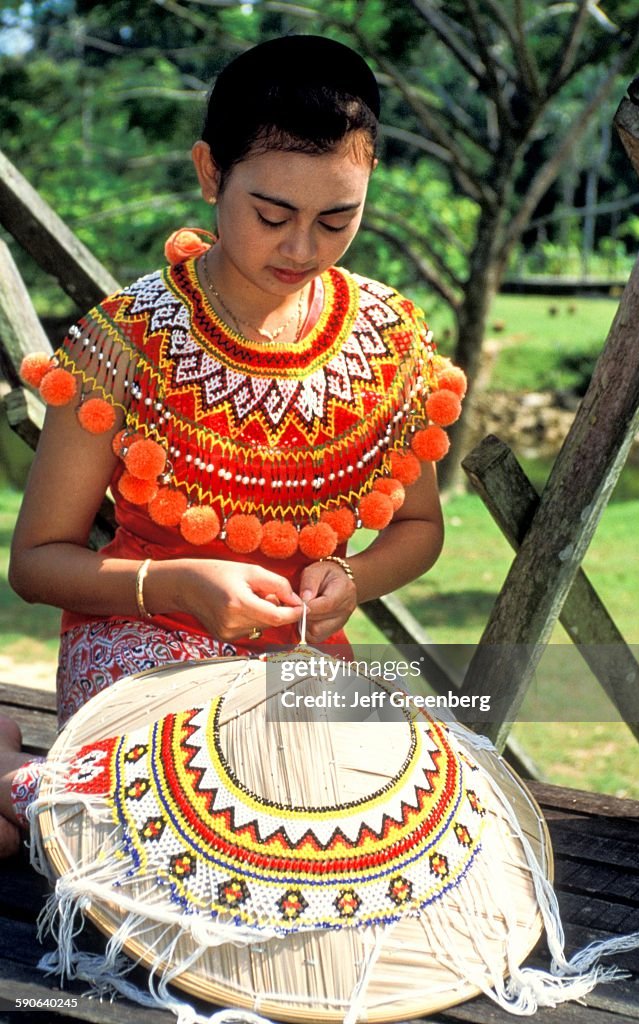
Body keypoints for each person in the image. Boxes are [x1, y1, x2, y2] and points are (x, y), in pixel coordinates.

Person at [0, 35, 466, 857]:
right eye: (272, 214)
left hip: (297, 661)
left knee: (391, 834)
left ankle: (28, 808)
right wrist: (180, 581)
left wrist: (350, 578)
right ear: (210, 173)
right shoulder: (126, 344)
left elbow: (419, 529)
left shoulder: (388, 340)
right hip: (140, 648)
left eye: (337, 219)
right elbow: (36, 562)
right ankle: (26, 788)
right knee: (175, 828)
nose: (301, 250)